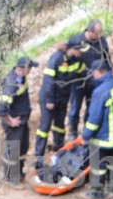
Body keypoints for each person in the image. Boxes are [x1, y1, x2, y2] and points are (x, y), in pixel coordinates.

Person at [34, 37, 84, 171]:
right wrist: (50, 100)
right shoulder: (57, 59)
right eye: (80, 50)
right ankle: (38, 158)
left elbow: (82, 73)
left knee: (59, 126)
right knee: (44, 127)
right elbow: (48, 80)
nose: (81, 53)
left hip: (63, 97)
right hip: (49, 98)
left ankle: (58, 150)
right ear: (72, 49)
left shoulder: (77, 60)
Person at [81, 59, 113, 199]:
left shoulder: (100, 92)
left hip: (103, 136)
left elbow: (94, 118)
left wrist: (86, 135)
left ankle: (97, 192)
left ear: (98, 72)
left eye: (93, 73)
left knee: (98, 165)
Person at [0, 56, 37, 187]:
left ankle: (18, 174)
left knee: (23, 147)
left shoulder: (21, 78)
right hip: (15, 124)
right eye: (30, 68)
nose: (31, 71)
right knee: (14, 150)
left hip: (22, 121)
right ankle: (11, 178)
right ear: (23, 69)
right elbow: (1, 109)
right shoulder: (11, 84)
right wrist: (10, 121)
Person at [68, 19, 111, 139]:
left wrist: (108, 74)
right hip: (78, 81)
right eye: (98, 33)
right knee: (75, 108)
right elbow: (66, 60)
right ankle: (73, 132)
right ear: (90, 32)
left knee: (91, 107)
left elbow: (106, 58)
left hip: (94, 82)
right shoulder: (76, 41)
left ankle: (88, 131)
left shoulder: (101, 41)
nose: (100, 36)